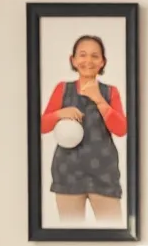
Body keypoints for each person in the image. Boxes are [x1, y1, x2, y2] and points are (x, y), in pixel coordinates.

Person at [40, 35, 128, 223]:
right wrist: (60, 113)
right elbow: (42, 125)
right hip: (67, 171)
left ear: (103, 62)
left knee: (113, 233)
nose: (88, 61)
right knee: (71, 234)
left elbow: (121, 129)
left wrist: (99, 100)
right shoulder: (62, 89)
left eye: (95, 56)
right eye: (82, 55)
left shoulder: (110, 92)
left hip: (104, 172)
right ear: (73, 60)